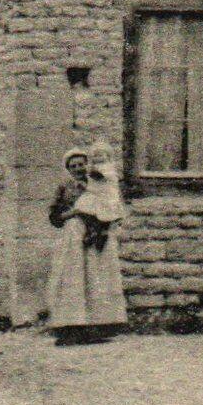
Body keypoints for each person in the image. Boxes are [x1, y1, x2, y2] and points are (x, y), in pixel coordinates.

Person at [45, 141, 128, 346]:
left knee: (97, 278)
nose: (78, 169)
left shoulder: (100, 182)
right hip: (73, 237)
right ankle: (71, 327)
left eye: (81, 164)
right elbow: (54, 218)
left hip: (97, 235)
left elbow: (114, 206)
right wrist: (74, 212)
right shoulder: (64, 187)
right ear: (68, 169)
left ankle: (98, 326)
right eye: (73, 166)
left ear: (87, 164)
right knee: (73, 279)